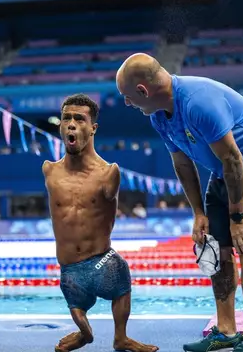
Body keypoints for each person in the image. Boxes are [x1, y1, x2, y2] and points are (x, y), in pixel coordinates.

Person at [116, 53, 243, 352]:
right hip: (223, 171)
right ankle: (225, 330)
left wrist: (237, 218)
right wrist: (198, 212)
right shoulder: (158, 115)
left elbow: (235, 159)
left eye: (128, 97)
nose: (127, 104)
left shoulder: (198, 102)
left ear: (143, 91)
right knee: (216, 248)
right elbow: (182, 164)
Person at [42, 94, 158, 352]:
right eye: (66, 118)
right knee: (78, 311)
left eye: (79, 119)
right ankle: (84, 333)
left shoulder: (108, 173)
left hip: (101, 259)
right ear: (60, 126)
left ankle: (121, 337)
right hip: (68, 269)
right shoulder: (49, 170)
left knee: (121, 273)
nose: (71, 124)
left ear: (93, 128)